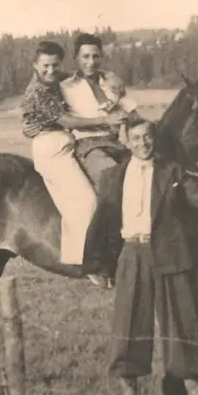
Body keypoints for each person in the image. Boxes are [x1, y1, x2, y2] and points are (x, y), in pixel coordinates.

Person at [89, 119, 198, 395]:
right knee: (128, 320)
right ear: (126, 141)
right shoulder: (112, 176)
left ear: (154, 139)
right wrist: (100, 263)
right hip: (130, 254)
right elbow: (104, 221)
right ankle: (129, 392)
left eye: (147, 137)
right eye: (136, 138)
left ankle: (193, 388)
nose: (142, 143)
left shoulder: (172, 170)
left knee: (180, 320)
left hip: (168, 254)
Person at [20, 40, 125, 283]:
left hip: (66, 144)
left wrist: (108, 73)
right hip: (51, 148)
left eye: (55, 65)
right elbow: (68, 121)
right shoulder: (38, 91)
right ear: (35, 65)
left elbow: (85, 74)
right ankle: (88, 264)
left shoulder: (55, 78)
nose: (51, 71)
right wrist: (104, 121)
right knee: (86, 202)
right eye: (45, 66)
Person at [60, 33, 140, 175]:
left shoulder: (110, 83)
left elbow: (133, 113)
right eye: (85, 56)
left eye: (95, 56)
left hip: (119, 143)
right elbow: (66, 120)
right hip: (89, 144)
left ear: (101, 57)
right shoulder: (65, 87)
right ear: (76, 58)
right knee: (111, 175)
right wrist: (105, 120)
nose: (91, 62)